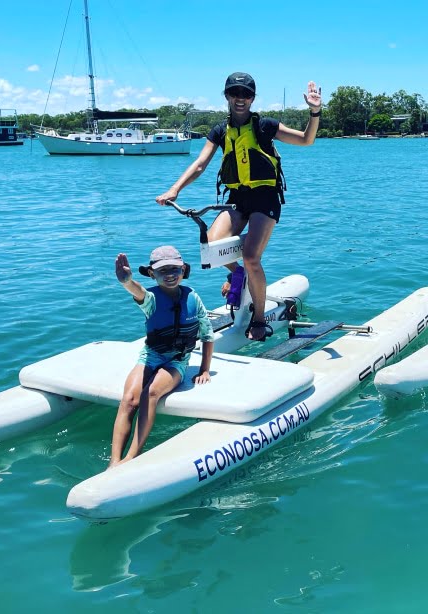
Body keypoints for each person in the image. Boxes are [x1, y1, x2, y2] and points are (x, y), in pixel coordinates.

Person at [156, 72, 322, 341]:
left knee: (251, 255)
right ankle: (240, 276)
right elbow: (200, 164)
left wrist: (315, 111)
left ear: (253, 98)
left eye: (246, 94)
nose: (240, 98)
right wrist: (175, 189)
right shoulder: (220, 131)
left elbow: (306, 139)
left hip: (266, 198)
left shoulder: (265, 126)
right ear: (227, 97)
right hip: (237, 199)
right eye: (235, 93)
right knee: (211, 247)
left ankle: (258, 319)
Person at [110, 246, 214, 467]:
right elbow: (138, 292)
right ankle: (114, 461)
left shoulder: (193, 297)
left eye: (175, 269)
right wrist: (126, 282)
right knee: (129, 399)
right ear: (151, 274)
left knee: (151, 393)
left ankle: (132, 457)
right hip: (152, 355)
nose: (169, 275)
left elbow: (207, 334)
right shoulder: (151, 300)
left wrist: (204, 368)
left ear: (183, 270)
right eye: (162, 270)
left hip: (177, 360)